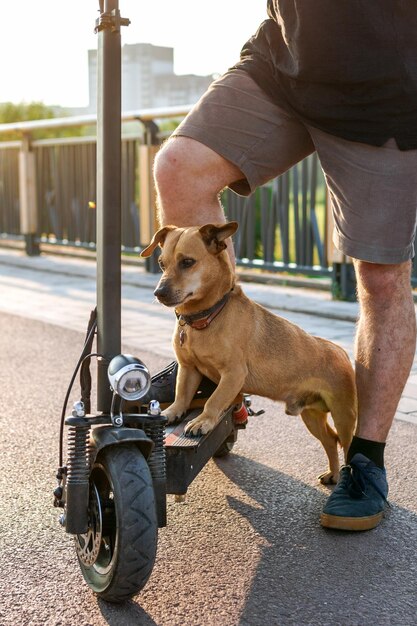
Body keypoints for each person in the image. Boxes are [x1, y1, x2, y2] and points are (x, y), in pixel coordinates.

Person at [150, 1, 417, 531]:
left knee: (381, 276)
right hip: (286, 61)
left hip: (386, 86)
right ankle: (217, 367)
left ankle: (364, 461)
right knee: (179, 169)